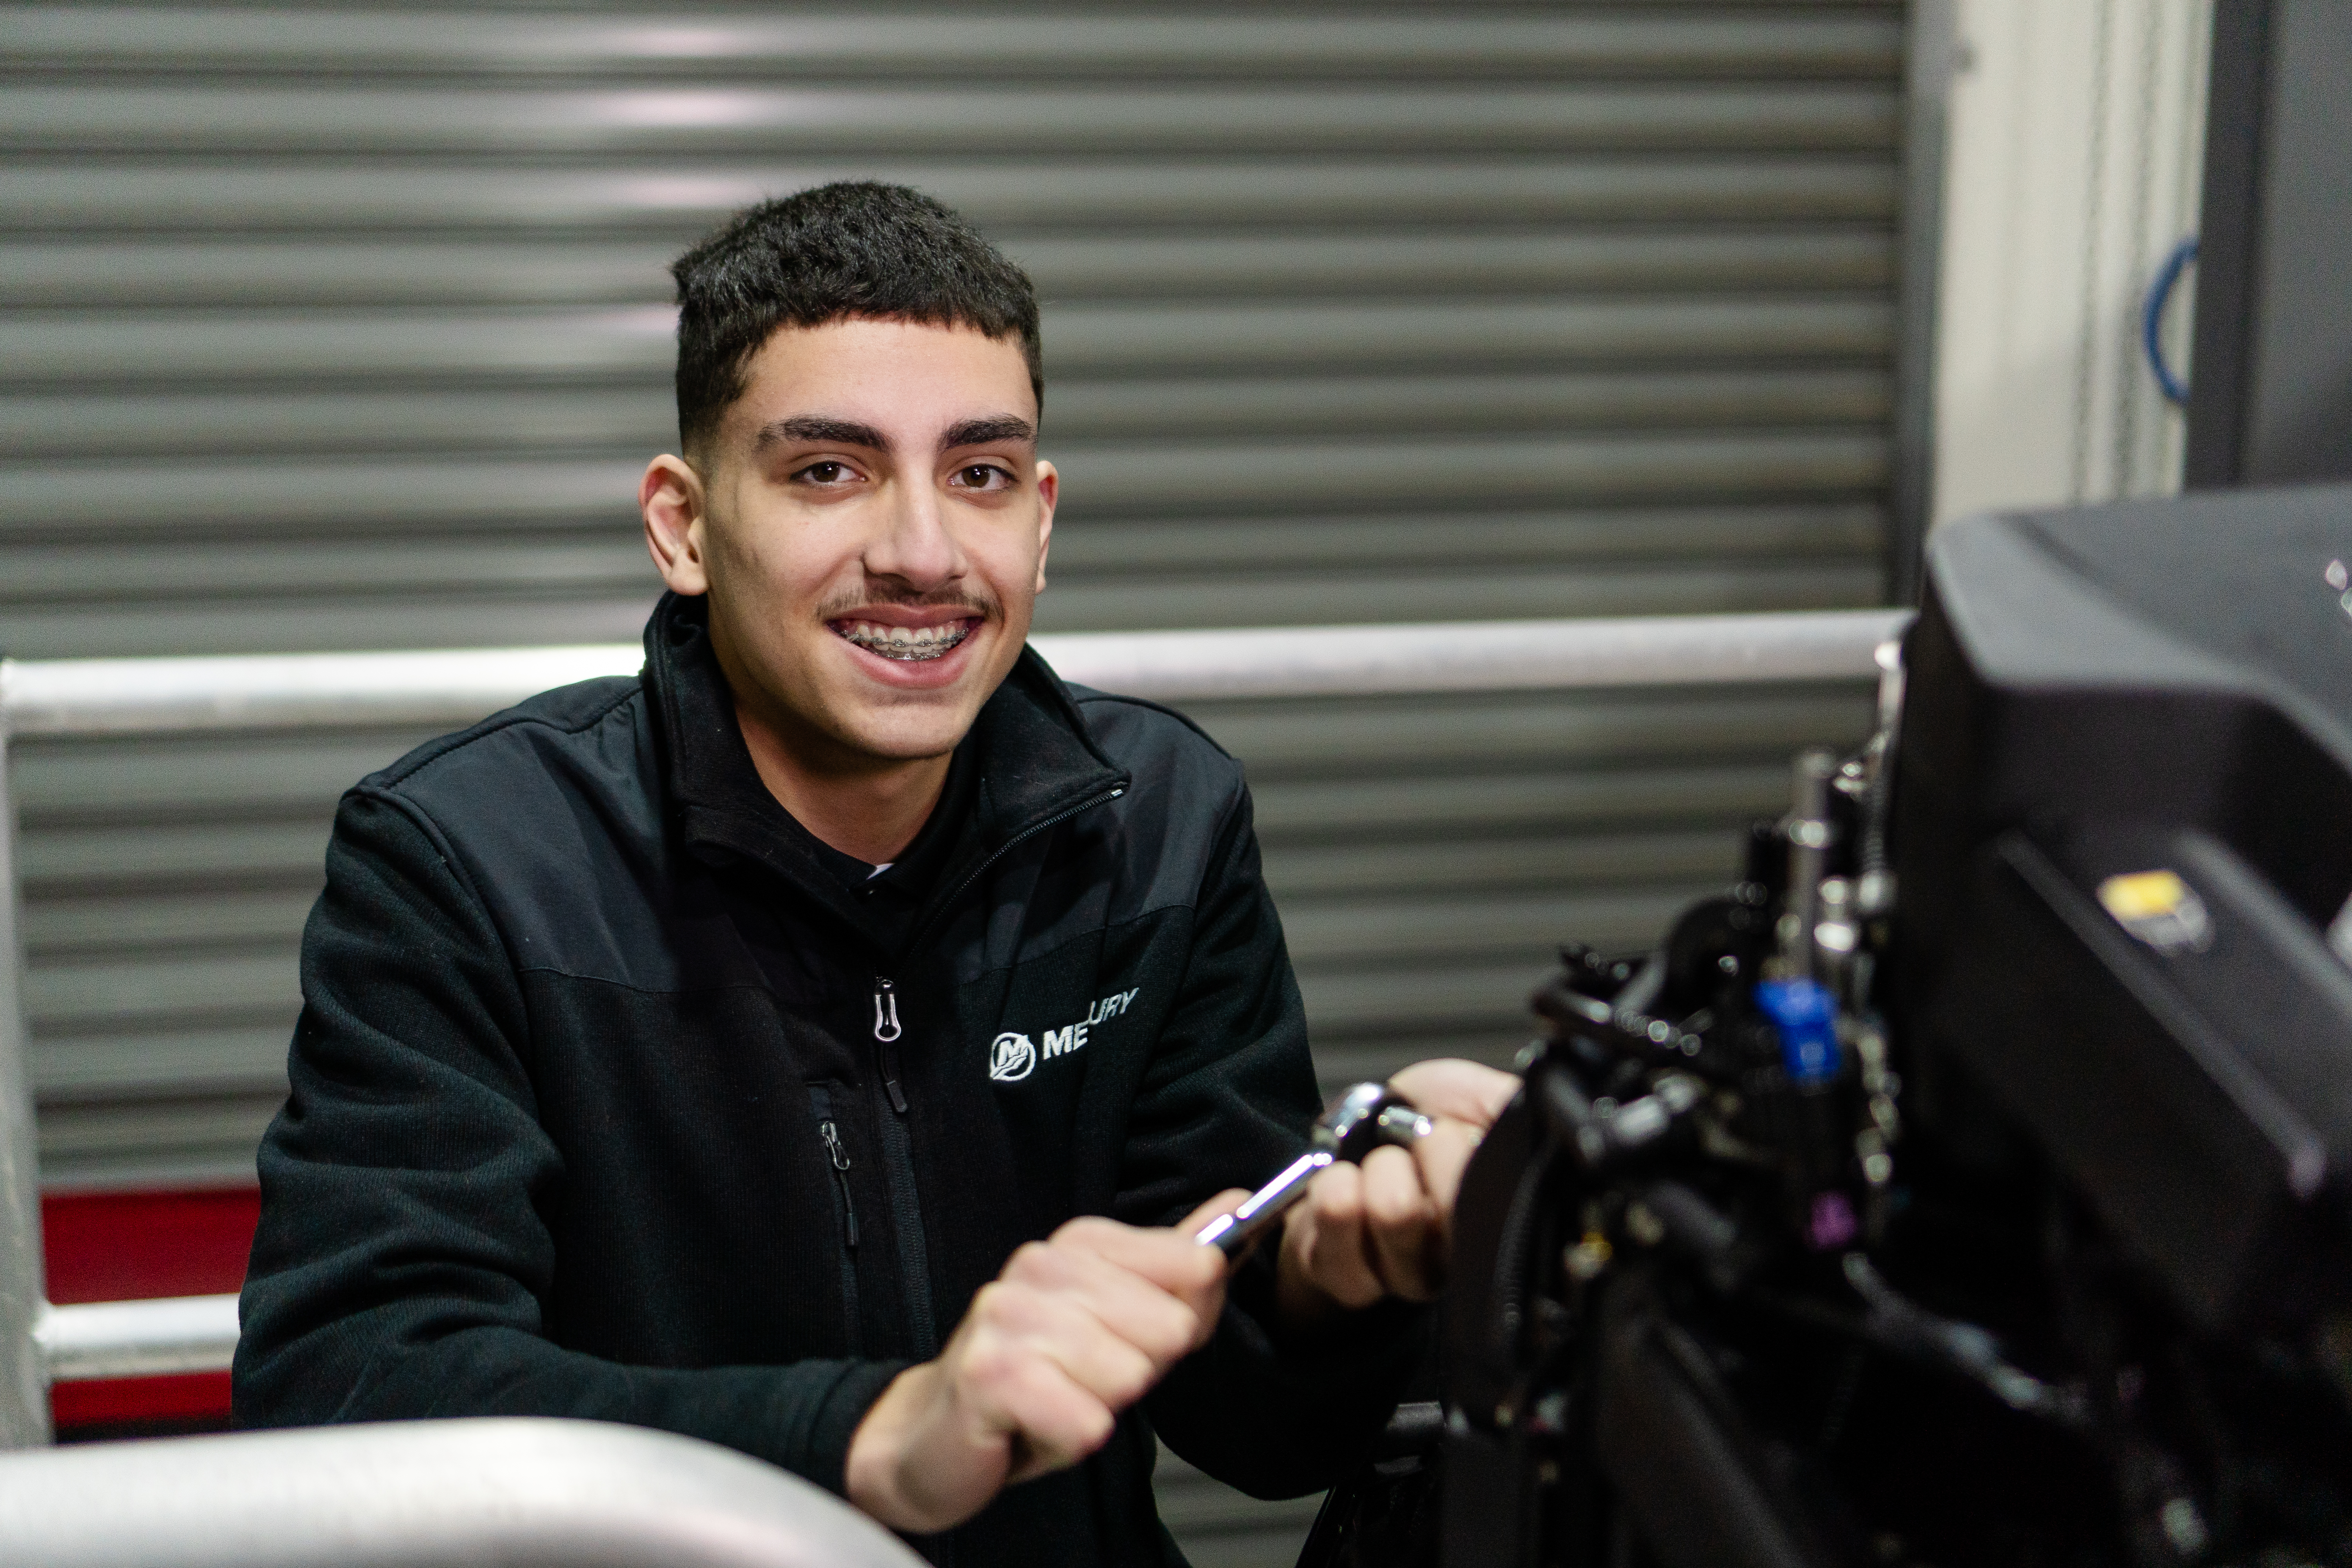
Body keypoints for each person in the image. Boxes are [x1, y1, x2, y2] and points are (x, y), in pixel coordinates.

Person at [233, 181, 1517, 1566]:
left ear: (1040, 517)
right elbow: (354, 1397)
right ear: (683, 526)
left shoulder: (1160, 823)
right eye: (827, 471)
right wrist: (879, 1437)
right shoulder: (469, 858)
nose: (920, 555)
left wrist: (1336, 1282)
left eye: (979, 474)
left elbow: (1262, 1432)